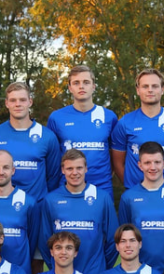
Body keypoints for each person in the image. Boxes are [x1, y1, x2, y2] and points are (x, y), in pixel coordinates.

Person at [39, 148, 118, 274]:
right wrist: (57, 267)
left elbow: (113, 239)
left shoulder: (102, 198)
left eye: (79, 168)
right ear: (63, 170)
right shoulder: (51, 200)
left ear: (86, 168)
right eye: (70, 168)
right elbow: (44, 242)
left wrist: (101, 267)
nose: (74, 173)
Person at [117, 141, 164, 272]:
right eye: (147, 163)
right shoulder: (128, 197)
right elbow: (124, 233)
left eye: (157, 162)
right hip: (138, 270)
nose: (153, 167)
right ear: (140, 165)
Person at [0, 82, 62, 202]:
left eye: (22, 100)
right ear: (6, 103)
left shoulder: (47, 137)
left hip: (37, 207)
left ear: (30, 102)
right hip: (4, 206)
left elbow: (53, 178)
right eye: (13, 100)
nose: (18, 104)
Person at [111, 68, 164, 189]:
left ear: (162, 89)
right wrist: (132, 188)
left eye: (155, 86)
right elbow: (117, 163)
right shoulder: (125, 123)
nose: (150, 90)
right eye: (145, 86)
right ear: (138, 90)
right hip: (136, 193)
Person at [46, 65, 119, 195]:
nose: (81, 86)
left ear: (93, 86)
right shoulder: (57, 118)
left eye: (86, 82)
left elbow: (116, 155)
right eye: (76, 83)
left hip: (102, 187)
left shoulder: (109, 117)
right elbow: (52, 158)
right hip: (67, 189)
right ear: (70, 88)